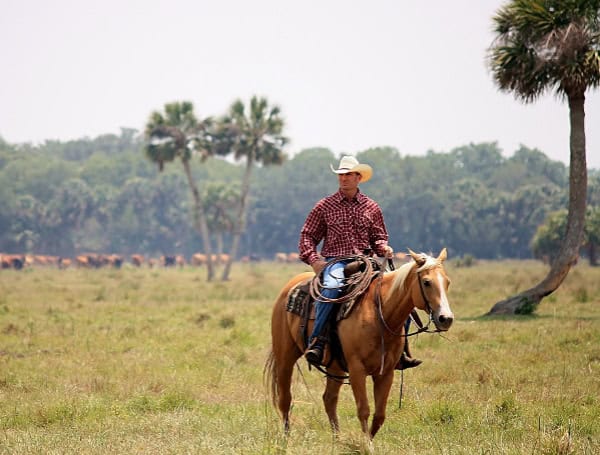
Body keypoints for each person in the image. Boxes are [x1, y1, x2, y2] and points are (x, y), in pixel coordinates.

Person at [298, 155, 422, 369]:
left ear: (358, 177)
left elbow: (378, 237)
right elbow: (307, 235)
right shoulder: (324, 206)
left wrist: (384, 247)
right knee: (331, 289)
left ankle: (400, 349)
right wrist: (314, 260)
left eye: (348, 175)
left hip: (367, 262)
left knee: (401, 297)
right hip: (335, 262)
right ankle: (318, 341)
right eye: (341, 175)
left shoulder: (371, 207)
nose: (343, 179)